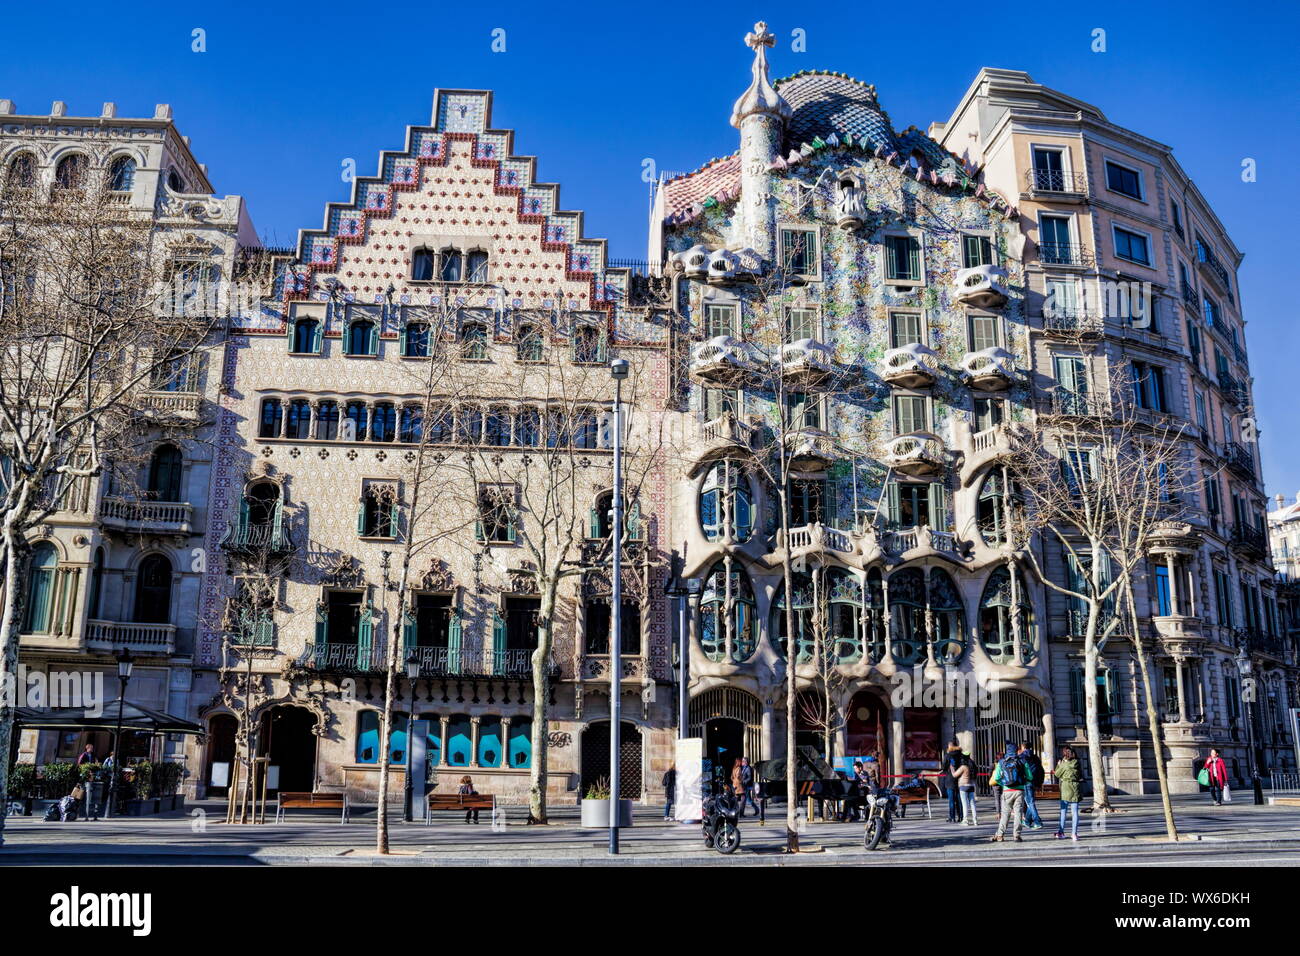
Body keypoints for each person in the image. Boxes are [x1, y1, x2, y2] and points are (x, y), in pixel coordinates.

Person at [990, 741, 1027, 842]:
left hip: (1007, 791)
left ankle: (1000, 835)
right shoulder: (1022, 761)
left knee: (1005, 814)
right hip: (1019, 790)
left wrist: (1004, 784)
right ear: (1016, 750)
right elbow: (1030, 776)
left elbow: (996, 778)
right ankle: (1017, 835)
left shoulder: (1002, 762)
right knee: (1018, 813)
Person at [1054, 746, 1082, 841]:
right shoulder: (1077, 762)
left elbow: (1057, 774)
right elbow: (1080, 775)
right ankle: (1074, 834)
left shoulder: (1064, 764)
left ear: (1065, 754)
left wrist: (1059, 765)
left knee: (1063, 812)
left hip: (1065, 787)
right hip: (1075, 787)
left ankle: (1061, 832)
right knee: (1075, 812)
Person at [1018, 742, 1045, 830]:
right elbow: (1041, 770)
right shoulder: (1036, 757)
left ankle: (1037, 821)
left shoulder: (1021, 757)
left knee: (1030, 802)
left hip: (1026, 782)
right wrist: (1039, 782)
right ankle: (1027, 821)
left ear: (1023, 747)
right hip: (1034, 782)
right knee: (1030, 802)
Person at [950, 748, 978, 826]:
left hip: (963, 786)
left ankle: (965, 820)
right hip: (971, 786)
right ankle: (975, 820)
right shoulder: (973, 765)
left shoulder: (963, 767)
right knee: (972, 804)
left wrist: (952, 768)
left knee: (965, 804)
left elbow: (954, 775)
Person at [944, 740, 963, 823]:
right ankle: (961, 817)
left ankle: (952, 817)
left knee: (951, 800)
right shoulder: (961, 755)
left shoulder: (948, 755)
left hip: (950, 779)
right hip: (960, 779)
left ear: (950, 746)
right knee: (959, 800)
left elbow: (944, 766)